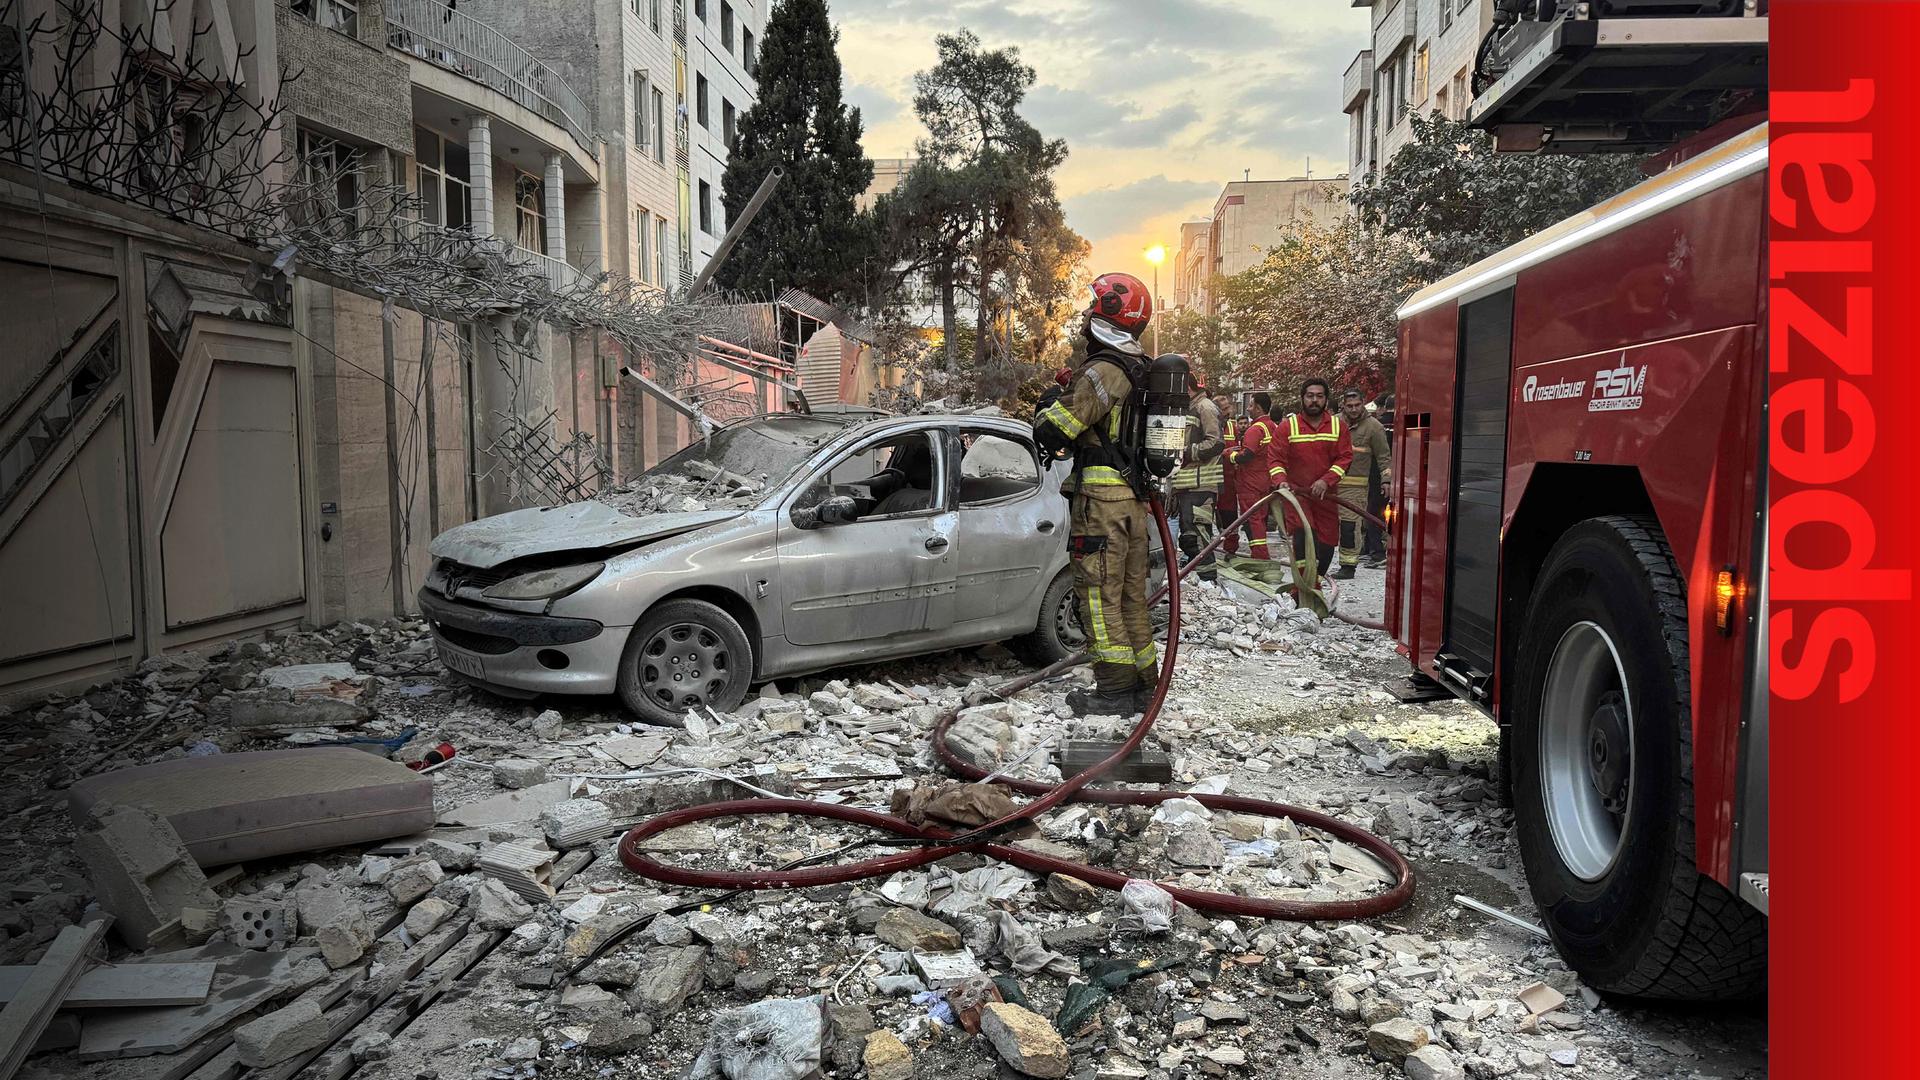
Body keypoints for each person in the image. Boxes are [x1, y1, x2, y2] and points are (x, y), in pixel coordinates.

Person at [1033, 272, 1158, 717]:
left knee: (1099, 598)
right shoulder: (1140, 368)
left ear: (1109, 313)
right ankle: (1144, 686)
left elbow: (1056, 430)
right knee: (1130, 598)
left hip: (1101, 504)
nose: (1086, 314)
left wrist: (1048, 403)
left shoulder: (1103, 370)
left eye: (1093, 305)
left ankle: (1113, 691)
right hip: (1132, 501)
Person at [1272, 377, 1353, 590]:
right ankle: (1304, 589)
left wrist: (1326, 480)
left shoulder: (1338, 427)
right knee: (1303, 536)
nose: (1314, 400)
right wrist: (1281, 482)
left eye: (1319, 396)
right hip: (1297, 495)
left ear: (1326, 399)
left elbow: (1345, 458)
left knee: (1327, 542)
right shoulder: (1288, 427)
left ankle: (1314, 581)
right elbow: (1276, 459)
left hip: (1326, 496)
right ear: (1302, 398)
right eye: (1310, 396)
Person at [1168, 372, 1225, 582]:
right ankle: (1201, 579)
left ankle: (1208, 580)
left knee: (1199, 537)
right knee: (1189, 537)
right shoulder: (1188, 408)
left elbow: (1216, 443)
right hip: (1186, 484)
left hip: (1202, 485)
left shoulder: (1205, 407)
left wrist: (1183, 452)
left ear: (1186, 388)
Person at [1335, 389, 1392, 578]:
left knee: (1349, 526)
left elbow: (1384, 457)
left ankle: (1348, 566)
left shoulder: (1374, 427)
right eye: (1349, 406)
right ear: (1343, 405)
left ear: (1363, 403)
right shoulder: (1334, 423)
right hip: (1330, 483)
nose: (1353, 409)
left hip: (1355, 486)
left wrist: (1386, 480)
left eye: (1357, 405)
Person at [1224, 392, 1281, 561]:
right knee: (1260, 518)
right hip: (1266, 480)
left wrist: (1229, 455)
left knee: (1253, 519)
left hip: (1250, 482)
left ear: (1258, 408)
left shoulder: (1255, 429)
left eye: (1250, 405)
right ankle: (1259, 554)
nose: (1248, 409)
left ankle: (1260, 556)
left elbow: (1246, 455)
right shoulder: (1273, 426)